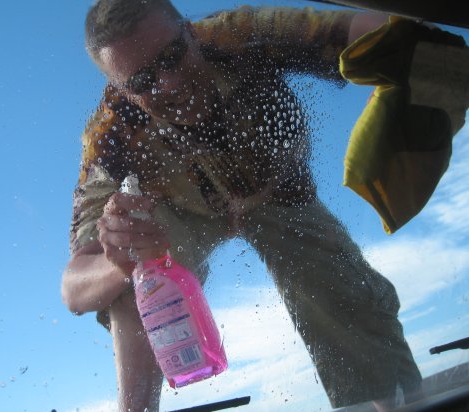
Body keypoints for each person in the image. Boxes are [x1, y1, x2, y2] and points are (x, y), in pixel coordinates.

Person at [61, 1, 425, 411]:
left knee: (342, 292)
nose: (168, 82)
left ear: (189, 32)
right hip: (182, 217)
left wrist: (423, 53)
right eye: (143, 80)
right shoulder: (111, 135)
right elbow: (74, 288)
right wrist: (120, 261)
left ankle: (396, 406)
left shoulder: (240, 34)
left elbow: (368, 29)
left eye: (172, 56)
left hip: (278, 194)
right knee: (134, 255)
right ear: (120, 89)